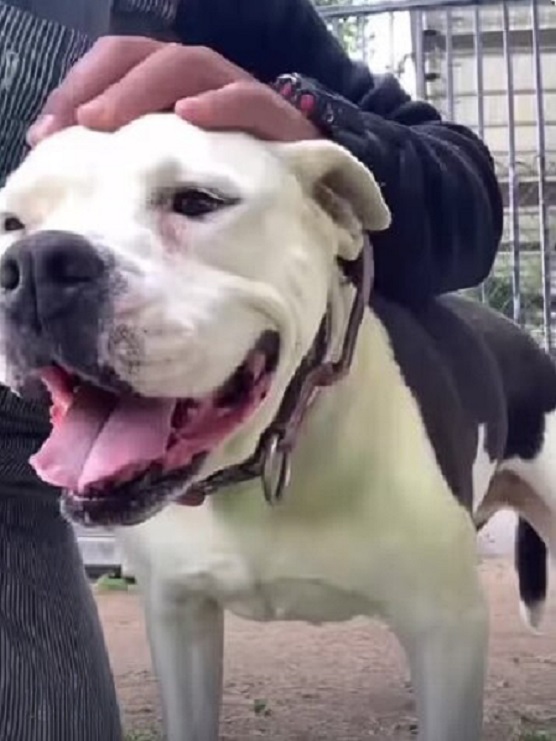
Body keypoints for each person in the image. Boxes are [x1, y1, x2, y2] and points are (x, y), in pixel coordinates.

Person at [0, 1, 502, 739]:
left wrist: (314, 124)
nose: (39, 264)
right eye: (17, 225)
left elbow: (465, 199)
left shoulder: (207, 6)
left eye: (195, 199)